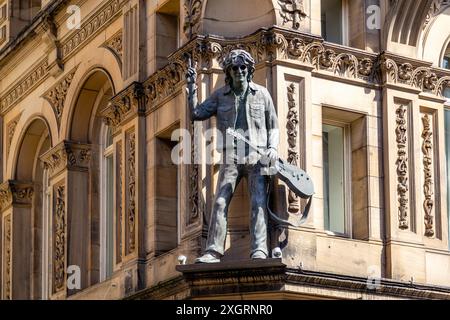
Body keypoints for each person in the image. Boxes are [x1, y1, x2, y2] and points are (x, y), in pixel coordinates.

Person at [186, 49, 279, 263]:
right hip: (231, 157)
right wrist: (192, 87)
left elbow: (273, 125)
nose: (239, 71)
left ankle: (260, 250)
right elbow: (196, 113)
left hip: (256, 157)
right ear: (228, 71)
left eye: (242, 67)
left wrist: (273, 148)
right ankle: (213, 251)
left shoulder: (262, 94)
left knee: (258, 202)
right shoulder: (220, 95)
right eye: (234, 68)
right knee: (219, 202)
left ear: (249, 70)